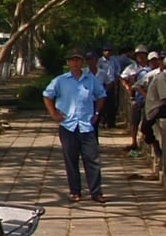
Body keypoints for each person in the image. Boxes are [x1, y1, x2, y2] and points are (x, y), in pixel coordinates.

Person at [43, 51, 107, 203]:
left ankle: (96, 192)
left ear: (82, 62)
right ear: (68, 63)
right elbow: (47, 95)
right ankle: (75, 191)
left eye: (78, 60)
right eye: (72, 60)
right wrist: (53, 113)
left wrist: (97, 113)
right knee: (71, 160)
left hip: (86, 125)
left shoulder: (90, 80)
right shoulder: (60, 80)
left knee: (92, 159)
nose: (75, 63)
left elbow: (101, 95)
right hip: (68, 125)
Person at [95, 46, 128, 128]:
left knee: (111, 103)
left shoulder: (114, 61)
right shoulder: (100, 61)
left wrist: (115, 80)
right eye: (106, 50)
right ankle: (102, 120)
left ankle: (110, 121)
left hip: (112, 83)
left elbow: (117, 71)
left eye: (109, 51)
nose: (108, 52)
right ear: (103, 52)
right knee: (102, 102)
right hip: (102, 84)